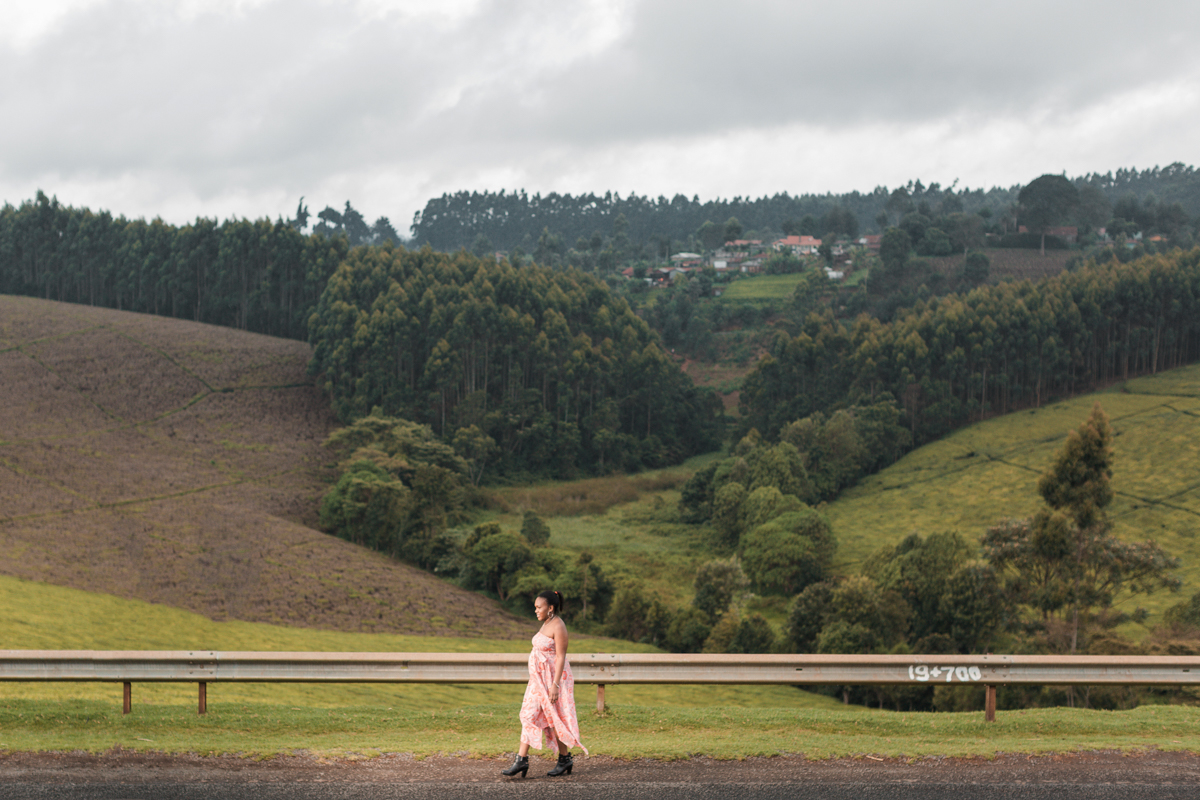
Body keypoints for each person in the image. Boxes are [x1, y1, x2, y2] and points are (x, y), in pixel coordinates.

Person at [501, 589, 587, 778]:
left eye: (538, 607)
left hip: (552, 681)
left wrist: (555, 685)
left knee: (555, 718)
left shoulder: (559, 626)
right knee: (528, 715)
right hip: (538, 681)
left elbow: (560, 657)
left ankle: (564, 759)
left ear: (550, 608)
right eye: (535, 607)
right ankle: (521, 760)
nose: (536, 611)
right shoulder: (547, 623)